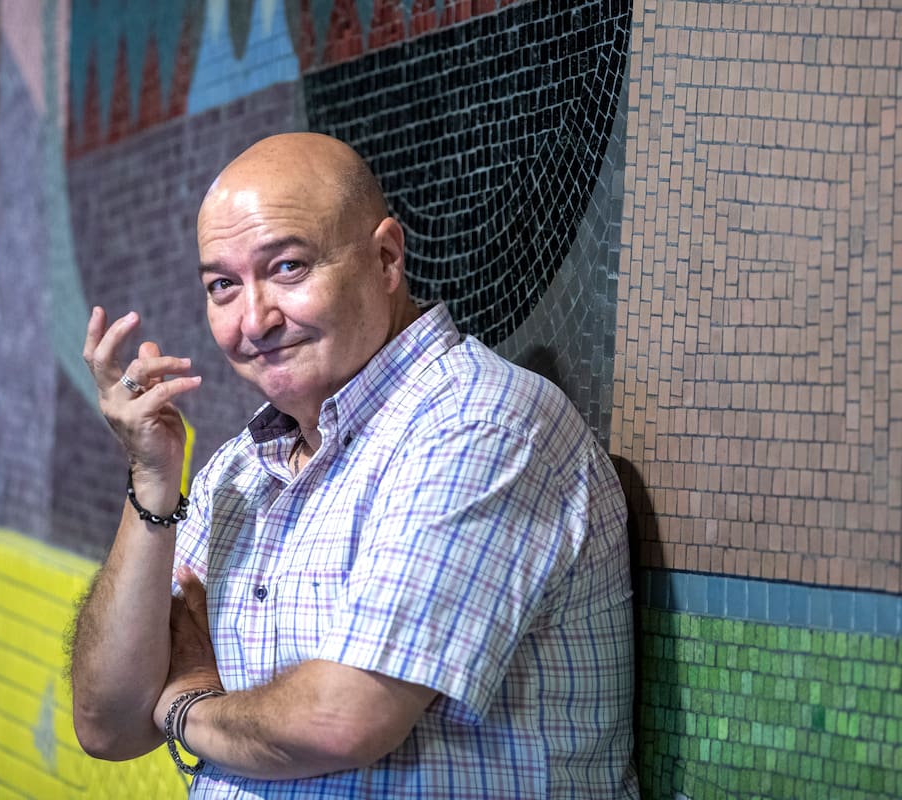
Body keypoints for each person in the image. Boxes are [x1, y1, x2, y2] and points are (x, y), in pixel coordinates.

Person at [71, 132, 639, 797]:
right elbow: (106, 724)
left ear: (386, 258)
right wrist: (152, 483)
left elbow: (342, 719)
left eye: (287, 267)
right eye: (223, 286)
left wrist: (185, 707)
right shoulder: (236, 475)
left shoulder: (477, 424)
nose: (253, 320)